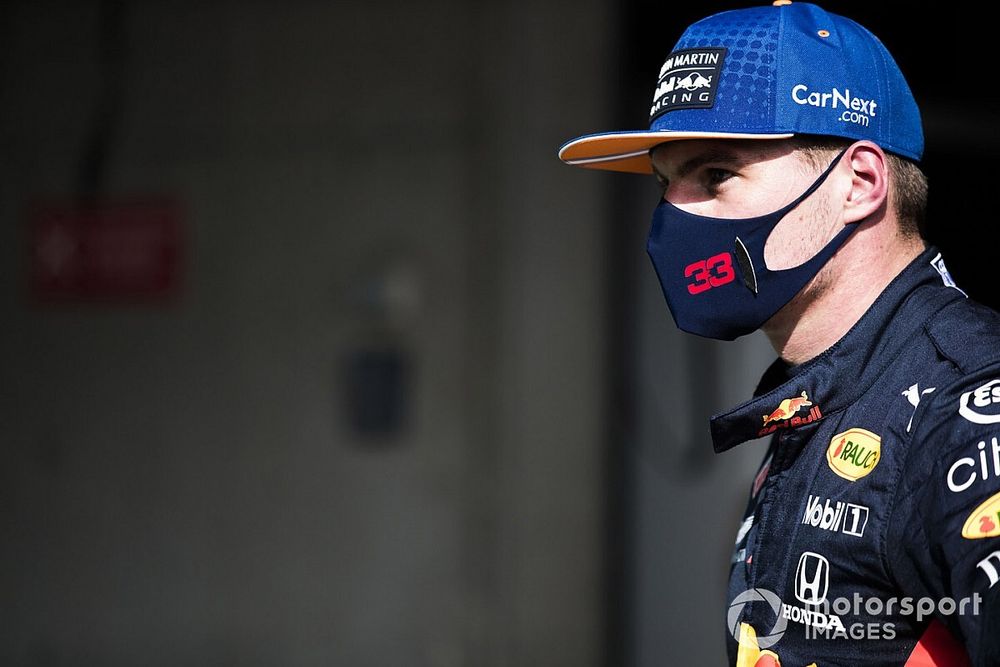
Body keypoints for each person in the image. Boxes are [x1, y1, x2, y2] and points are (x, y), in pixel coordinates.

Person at [559, 2, 1000, 665]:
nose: (672, 215)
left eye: (716, 174)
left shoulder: (965, 408)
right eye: (664, 182)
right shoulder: (812, 398)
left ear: (859, 183)